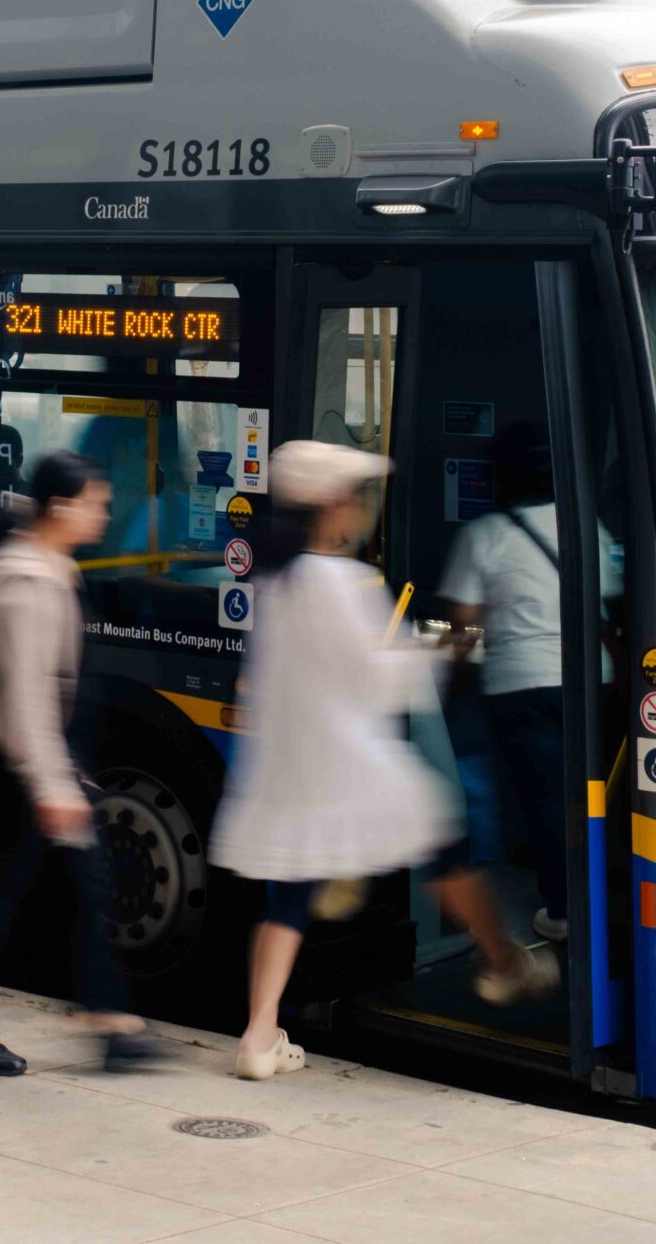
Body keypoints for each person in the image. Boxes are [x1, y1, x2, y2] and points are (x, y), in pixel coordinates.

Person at [210, 441, 455, 1081]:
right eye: (356, 499)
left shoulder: (277, 578)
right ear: (334, 507)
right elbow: (378, 680)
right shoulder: (341, 581)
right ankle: (500, 959)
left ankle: (260, 1033)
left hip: (285, 766)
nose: (361, 511)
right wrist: (439, 652)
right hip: (339, 766)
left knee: (285, 901)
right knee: (440, 832)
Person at [0, 451, 154, 1076]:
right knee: (1, 893)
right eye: (97, 504)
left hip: (20, 752)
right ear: (61, 508)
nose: (106, 516)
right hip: (9, 755)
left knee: (66, 883)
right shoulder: (27, 583)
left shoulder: (45, 565)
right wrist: (49, 781)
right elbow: (25, 696)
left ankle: (110, 1021)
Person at [431, 424, 582, 1006]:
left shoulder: (486, 534)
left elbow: (462, 627)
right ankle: (590, 900)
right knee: (579, 795)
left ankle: (562, 912)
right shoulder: (581, 524)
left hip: (519, 683)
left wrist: (449, 678)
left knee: (544, 799)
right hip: (587, 679)